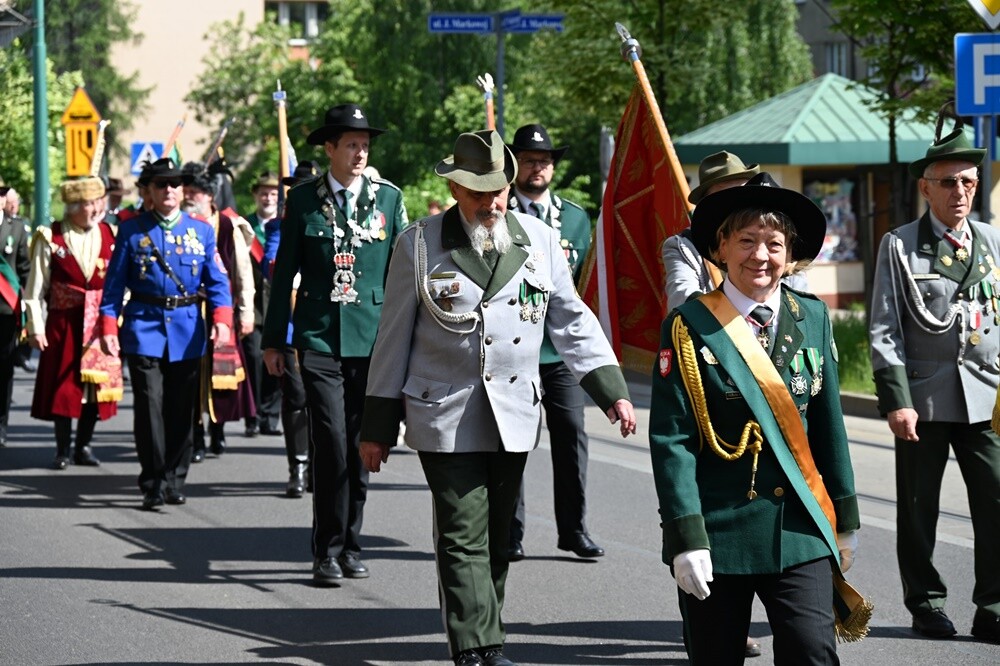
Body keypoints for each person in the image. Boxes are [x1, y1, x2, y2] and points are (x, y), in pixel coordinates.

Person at [359, 129, 637, 666]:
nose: (491, 204)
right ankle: (476, 647)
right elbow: (391, 338)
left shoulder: (540, 240)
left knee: (498, 535)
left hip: (513, 410)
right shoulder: (419, 244)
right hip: (444, 410)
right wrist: (377, 426)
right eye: (478, 194)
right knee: (462, 531)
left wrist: (611, 391)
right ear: (455, 189)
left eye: (499, 192)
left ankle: (488, 633)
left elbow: (571, 320)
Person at [649, 173, 863, 664]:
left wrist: (844, 518)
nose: (760, 256)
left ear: (790, 255)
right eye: (746, 241)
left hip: (800, 527)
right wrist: (685, 537)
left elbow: (829, 424)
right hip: (719, 531)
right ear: (721, 248)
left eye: (774, 244)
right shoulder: (688, 327)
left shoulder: (812, 317)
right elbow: (672, 441)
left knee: (812, 652)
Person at [263, 104, 408, 582]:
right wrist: (273, 341)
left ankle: (351, 544)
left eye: (365, 145)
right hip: (319, 336)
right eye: (351, 145)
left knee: (364, 444)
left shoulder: (389, 199)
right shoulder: (304, 200)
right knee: (330, 441)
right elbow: (285, 271)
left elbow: (403, 273)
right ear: (330, 149)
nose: (360, 153)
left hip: (372, 339)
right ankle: (325, 550)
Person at [870, 128, 1000, 645]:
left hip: (987, 398)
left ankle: (993, 607)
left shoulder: (993, 240)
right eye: (948, 182)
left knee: (996, 501)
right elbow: (884, 328)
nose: (960, 191)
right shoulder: (901, 244)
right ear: (925, 188)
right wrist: (896, 400)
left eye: (968, 181)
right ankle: (926, 604)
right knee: (919, 507)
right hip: (923, 401)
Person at [99, 158, 233, 510]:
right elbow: (113, 286)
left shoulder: (201, 230)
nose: (169, 189)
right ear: (150, 191)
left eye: (175, 183)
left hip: (187, 330)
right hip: (144, 327)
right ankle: (153, 480)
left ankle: (175, 478)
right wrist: (108, 325)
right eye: (161, 184)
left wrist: (222, 319)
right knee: (149, 406)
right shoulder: (131, 230)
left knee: (181, 409)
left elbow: (218, 282)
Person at [503, 123, 602, 561]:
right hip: (513, 348)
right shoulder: (499, 211)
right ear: (515, 166)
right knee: (513, 442)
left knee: (572, 436)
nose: (538, 168)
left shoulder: (575, 218)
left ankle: (574, 529)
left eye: (544, 161)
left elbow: (584, 285)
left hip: (559, 351)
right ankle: (510, 530)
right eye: (529, 161)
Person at [25, 177, 120, 469]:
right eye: (90, 204)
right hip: (63, 324)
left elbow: (120, 283)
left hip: (98, 326)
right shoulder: (50, 237)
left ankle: (84, 446)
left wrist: (117, 317)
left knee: (95, 388)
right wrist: (35, 327)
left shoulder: (110, 233)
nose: (97, 209)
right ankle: (63, 449)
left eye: (98, 202)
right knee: (63, 387)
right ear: (74, 207)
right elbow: (35, 288)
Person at [181, 161, 256, 461]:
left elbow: (242, 271)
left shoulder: (228, 225)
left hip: (220, 311)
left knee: (220, 376)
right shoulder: (180, 224)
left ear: (209, 196)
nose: (189, 197)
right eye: (186, 191)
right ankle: (196, 436)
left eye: (195, 192)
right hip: (188, 311)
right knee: (191, 376)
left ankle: (218, 430)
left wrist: (246, 311)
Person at [262, 160, 321, 497]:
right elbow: (272, 266)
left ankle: (318, 464)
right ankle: (298, 465)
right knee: (296, 395)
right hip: (290, 325)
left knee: (322, 400)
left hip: (321, 323)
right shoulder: (278, 226)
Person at [244, 171, 283, 438]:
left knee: (277, 362)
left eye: (273, 193)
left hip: (278, 305)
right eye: (263, 193)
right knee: (254, 360)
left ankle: (270, 417)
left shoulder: (285, 225)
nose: (268, 198)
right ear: (256, 196)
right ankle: (252, 416)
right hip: (254, 306)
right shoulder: (244, 226)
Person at [0, 186, 30, 447]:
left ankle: (1, 423)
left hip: (5, 310)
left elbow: (24, 270)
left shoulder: (17, 228)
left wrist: (30, 308)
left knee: (3, 368)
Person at [4, 187, 36, 374]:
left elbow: (24, 266)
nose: (14, 205)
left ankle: (22, 353)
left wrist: (31, 298)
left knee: (4, 364)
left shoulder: (17, 227)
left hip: (6, 302)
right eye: (12, 202)